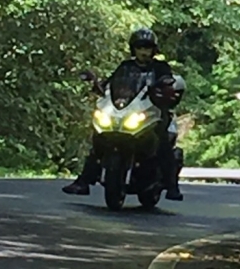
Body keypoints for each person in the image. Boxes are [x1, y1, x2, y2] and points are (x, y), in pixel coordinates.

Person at [62, 28, 185, 201]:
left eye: (147, 48)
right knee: (99, 138)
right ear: (133, 49)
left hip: (153, 110)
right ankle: (83, 181)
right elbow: (111, 83)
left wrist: (166, 87)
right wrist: (99, 86)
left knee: (162, 142)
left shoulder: (160, 67)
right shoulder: (125, 67)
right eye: (140, 47)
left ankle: (172, 186)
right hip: (126, 110)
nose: (143, 52)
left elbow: (170, 83)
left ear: (153, 50)